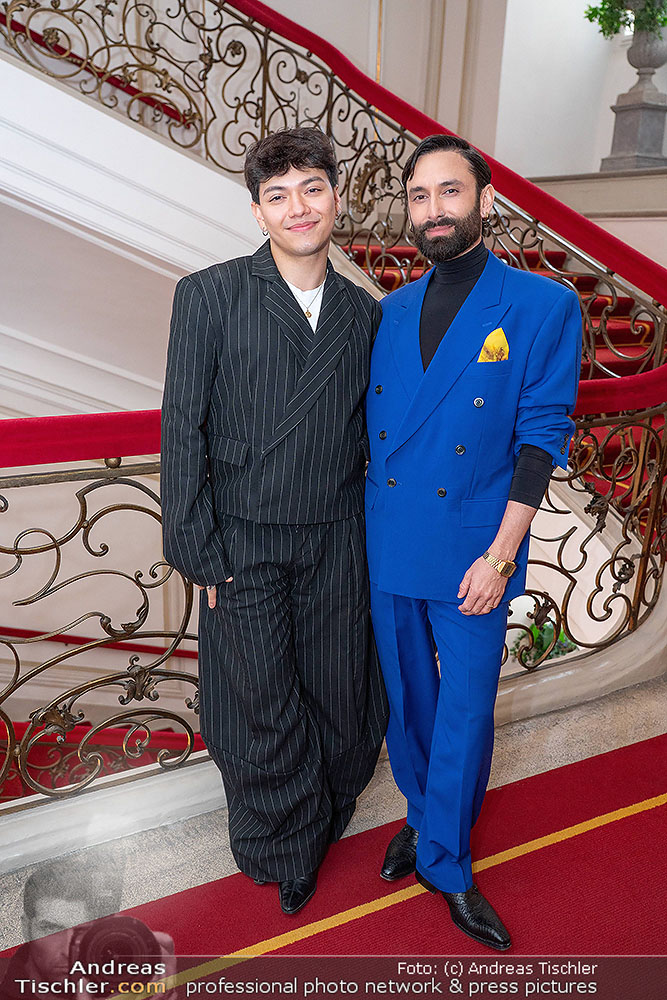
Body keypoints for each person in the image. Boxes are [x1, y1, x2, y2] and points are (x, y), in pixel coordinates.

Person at [161, 127, 388, 916]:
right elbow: (181, 428)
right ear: (257, 212)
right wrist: (198, 550)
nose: (298, 207)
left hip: (337, 533)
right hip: (242, 538)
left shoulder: (364, 314)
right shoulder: (209, 294)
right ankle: (284, 846)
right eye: (278, 195)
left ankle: (326, 808)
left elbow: (375, 433)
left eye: (311, 189)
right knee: (261, 700)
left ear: (335, 198)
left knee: (338, 690)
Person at [365, 134, 581, 950]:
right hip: (388, 534)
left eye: (449, 192)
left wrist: (499, 555)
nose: (434, 210)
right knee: (408, 699)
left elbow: (540, 437)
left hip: (472, 548)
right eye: (419, 196)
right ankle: (422, 818)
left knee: (462, 709)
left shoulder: (540, 305)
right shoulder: (388, 311)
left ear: (484, 201)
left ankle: (447, 863)